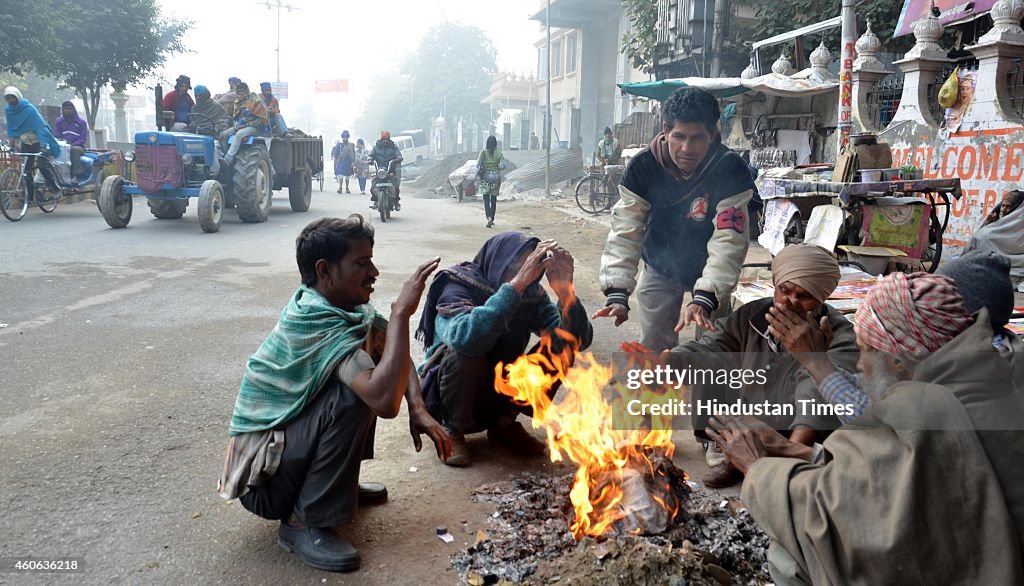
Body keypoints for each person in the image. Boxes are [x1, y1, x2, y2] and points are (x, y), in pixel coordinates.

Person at [706, 272, 1024, 585]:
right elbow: (894, 469)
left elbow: (834, 512)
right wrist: (791, 449)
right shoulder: (988, 380)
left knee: (787, 558)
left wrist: (757, 467)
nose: (860, 364)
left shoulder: (928, 408)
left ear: (899, 361)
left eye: (866, 350)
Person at [218, 215, 452, 573]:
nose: (374, 272)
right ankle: (303, 521)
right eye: (362, 263)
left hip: (281, 460)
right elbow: (384, 402)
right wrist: (402, 312)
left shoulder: (346, 310)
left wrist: (418, 407)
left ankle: (332, 490)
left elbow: (394, 352)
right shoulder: (317, 320)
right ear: (325, 270)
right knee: (358, 393)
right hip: (263, 484)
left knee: (369, 367)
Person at [662, 244, 857, 488]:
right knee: (711, 364)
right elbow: (715, 346)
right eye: (784, 291)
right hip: (755, 416)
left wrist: (793, 448)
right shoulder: (755, 314)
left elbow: (816, 392)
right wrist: (673, 361)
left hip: (801, 433)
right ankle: (733, 452)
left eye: (803, 296)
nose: (790, 302)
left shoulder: (841, 336)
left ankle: (788, 460)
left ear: (821, 298)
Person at [594, 87, 755, 353]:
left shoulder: (730, 169)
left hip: (711, 268)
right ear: (665, 131)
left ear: (712, 134)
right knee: (655, 348)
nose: (687, 149)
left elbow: (730, 239)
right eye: (679, 136)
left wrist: (706, 297)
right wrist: (617, 291)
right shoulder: (643, 167)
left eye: (697, 138)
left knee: (715, 349)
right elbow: (626, 230)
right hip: (659, 266)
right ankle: (660, 394)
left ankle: (708, 394)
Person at [415, 232, 594, 467]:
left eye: (531, 270)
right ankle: (452, 429)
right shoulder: (458, 285)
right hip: (451, 392)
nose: (526, 277)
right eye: (518, 269)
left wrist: (566, 293)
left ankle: (503, 422)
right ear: (498, 261)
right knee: (467, 353)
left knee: (561, 348)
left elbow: (575, 340)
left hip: (500, 386)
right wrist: (514, 286)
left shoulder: (530, 294)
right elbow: (465, 338)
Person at [4, 86, 61, 201]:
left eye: (13, 97)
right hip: (26, 143)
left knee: (41, 165)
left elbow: (40, 128)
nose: (11, 100)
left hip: (39, 142)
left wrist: (44, 145)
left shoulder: (29, 109)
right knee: (26, 171)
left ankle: (55, 188)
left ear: (18, 97)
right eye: (8, 98)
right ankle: (29, 197)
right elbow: (11, 129)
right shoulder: (9, 111)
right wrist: (11, 145)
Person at [967, 190, 1024, 287]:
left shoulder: (1020, 220)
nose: (1003, 210)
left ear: (1016, 208)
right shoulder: (999, 219)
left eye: (1008, 206)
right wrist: (989, 223)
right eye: (1003, 206)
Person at [221, 82, 269, 166]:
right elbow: (236, 117)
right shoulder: (238, 102)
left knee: (239, 134)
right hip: (241, 126)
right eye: (238, 92)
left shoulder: (254, 101)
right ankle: (224, 158)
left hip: (256, 128)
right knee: (224, 134)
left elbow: (261, 120)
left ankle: (228, 159)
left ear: (246, 91)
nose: (240, 94)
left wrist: (246, 125)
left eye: (242, 92)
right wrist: (236, 125)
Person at [53, 101, 89, 181]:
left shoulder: (81, 123)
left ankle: (75, 175)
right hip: (63, 146)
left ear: (74, 109)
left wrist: (72, 145)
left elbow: (83, 139)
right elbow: (56, 135)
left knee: (74, 150)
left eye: (70, 109)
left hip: (77, 147)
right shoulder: (59, 122)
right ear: (63, 110)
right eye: (66, 109)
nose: (68, 111)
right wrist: (63, 143)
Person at [368, 131, 403, 211]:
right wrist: (370, 159)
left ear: (389, 139)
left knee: (396, 188)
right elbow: (371, 155)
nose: (385, 141)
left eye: (387, 139)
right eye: (384, 139)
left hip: (390, 171)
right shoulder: (376, 148)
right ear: (381, 139)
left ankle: (396, 202)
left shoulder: (393, 147)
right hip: (380, 172)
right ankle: (376, 200)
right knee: (372, 188)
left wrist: (398, 158)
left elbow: (398, 154)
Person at [476, 135, 505, 228]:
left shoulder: (483, 153)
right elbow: (502, 166)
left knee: (486, 198)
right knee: (493, 199)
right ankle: (492, 218)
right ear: (495, 144)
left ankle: (488, 217)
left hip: (485, 177)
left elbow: (478, 164)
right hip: (496, 177)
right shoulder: (499, 153)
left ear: (487, 143)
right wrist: (495, 166)